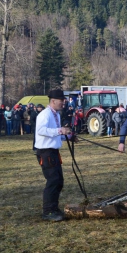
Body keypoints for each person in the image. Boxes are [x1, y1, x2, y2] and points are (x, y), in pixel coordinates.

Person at [35, 89, 76, 222]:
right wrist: (60, 130)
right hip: (46, 152)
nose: (63, 103)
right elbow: (41, 130)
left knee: (58, 181)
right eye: (61, 101)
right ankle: (48, 211)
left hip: (53, 152)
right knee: (52, 181)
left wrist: (68, 136)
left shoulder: (56, 115)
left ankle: (53, 208)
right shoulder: (44, 115)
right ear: (53, 101)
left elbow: (56, 135)